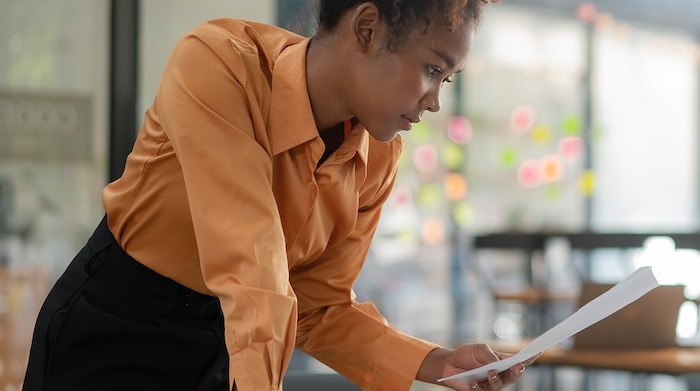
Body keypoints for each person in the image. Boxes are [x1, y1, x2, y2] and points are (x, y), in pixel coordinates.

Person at [22, 1, 537, 390]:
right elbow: (253, 269)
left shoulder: (377, 156)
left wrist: (436, 363)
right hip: (115, 324)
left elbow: (316, 306)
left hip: (225, 343)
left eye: (448, 79)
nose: (436, 101)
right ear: (366, 28)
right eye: (431, 70)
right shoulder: (219, 65)